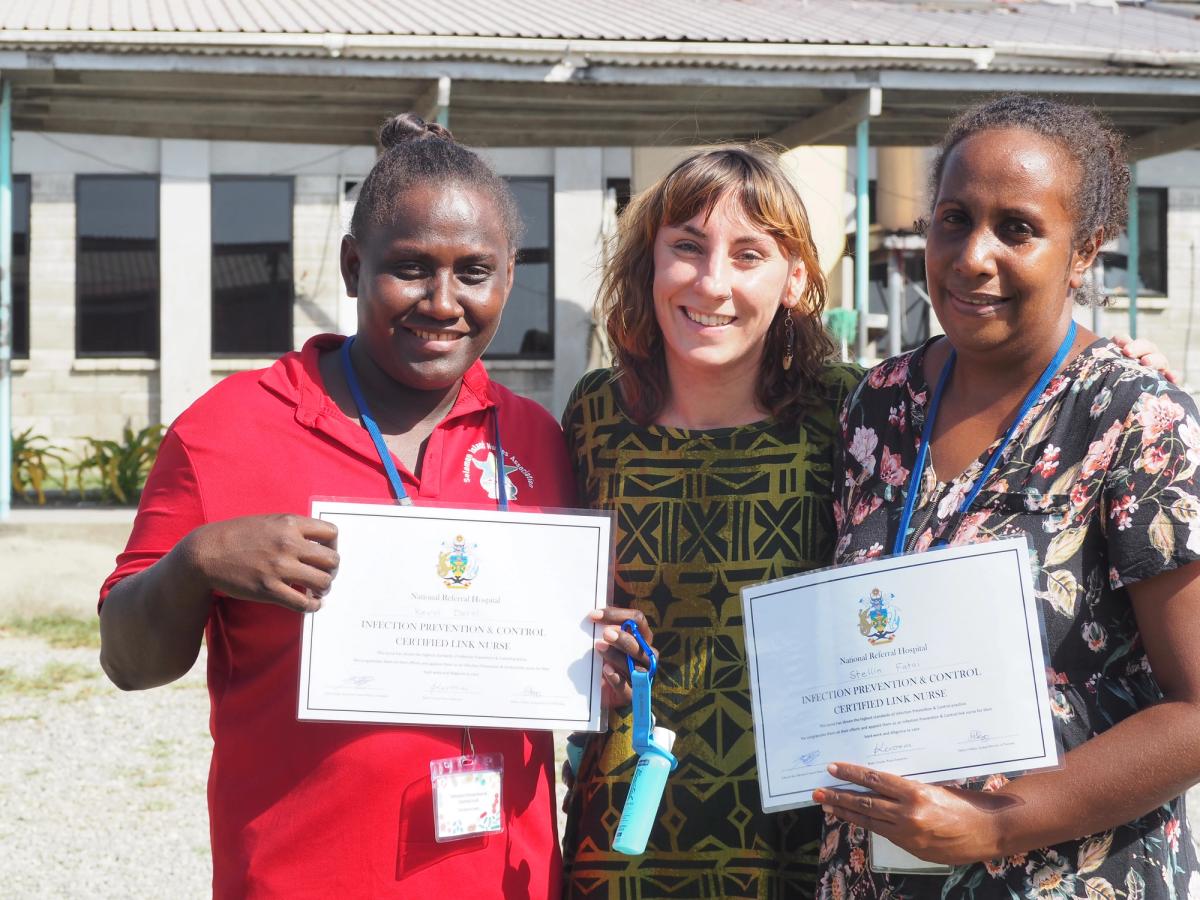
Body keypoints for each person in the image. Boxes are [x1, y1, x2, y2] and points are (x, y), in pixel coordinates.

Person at [97, 114, 577, 898]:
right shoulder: (226, 430)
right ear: (354, 267)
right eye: (411, 268)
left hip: (503, 880)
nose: (443, 301)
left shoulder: (538, 441)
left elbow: (556, 652)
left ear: (509, 277)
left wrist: (601, 664)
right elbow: (128, 662)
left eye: (474, 272)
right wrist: (197, 563)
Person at [814, 95, 1200, 900]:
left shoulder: (1135, 419)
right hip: (877, 875)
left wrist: (996, 823)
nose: (971, 256)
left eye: (1017, 228)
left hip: (1064, 877)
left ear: (1084, 248)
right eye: (953, 219)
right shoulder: (878, 405)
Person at [560, 144, 864, 898]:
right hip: (627, 826)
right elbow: (565, 598)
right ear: (649, 265)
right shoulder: (596, 414)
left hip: (804, 829)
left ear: (794, 279)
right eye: (686, 249)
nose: (712, 282)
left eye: (749, 254)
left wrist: (1105, 368)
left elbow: (996, 435)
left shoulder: (851, 410)